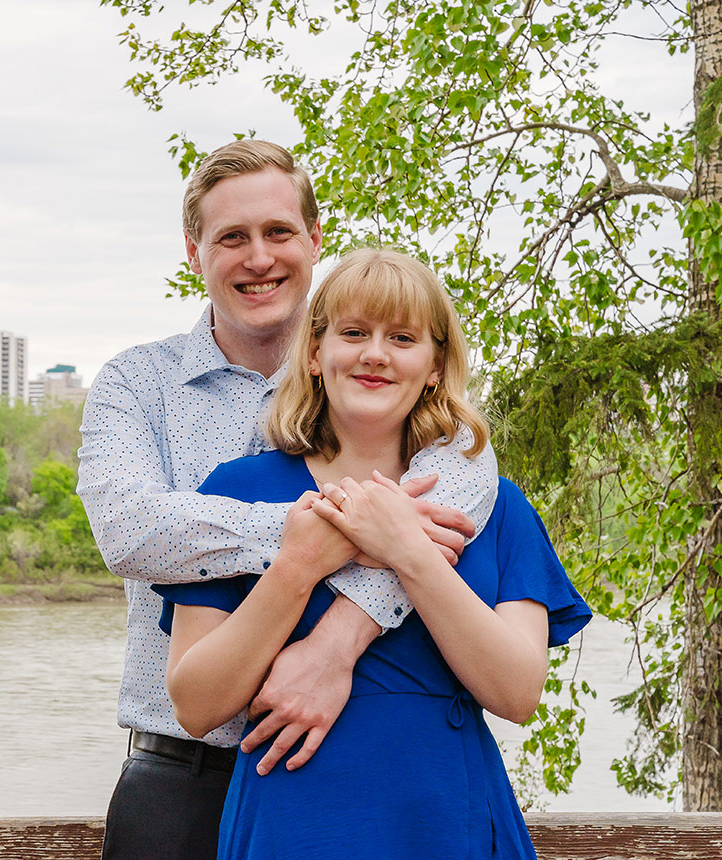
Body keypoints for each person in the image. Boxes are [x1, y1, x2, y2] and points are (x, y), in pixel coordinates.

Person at [77, 140, 500, 860]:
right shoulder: (134, 383)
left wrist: (337, 644)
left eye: (277, 232)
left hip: (340, 776)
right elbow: (130, 531)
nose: (259, 257)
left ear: (314, 239)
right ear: (193, 252)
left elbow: (462, 475)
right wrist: (338, 530)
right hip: (181, 773)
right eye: (230, 238)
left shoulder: (377, 382)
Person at [155, 248, 592, 860]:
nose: (375, 354)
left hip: (449, 823)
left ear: (436, 364)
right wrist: (296, 568)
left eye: (403, 337)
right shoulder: (238, 491)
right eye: (353, 332)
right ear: (314, 353)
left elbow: (518, 694)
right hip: (291, 828)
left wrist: (408, 553)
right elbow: (197, 705)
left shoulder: (495, 507)